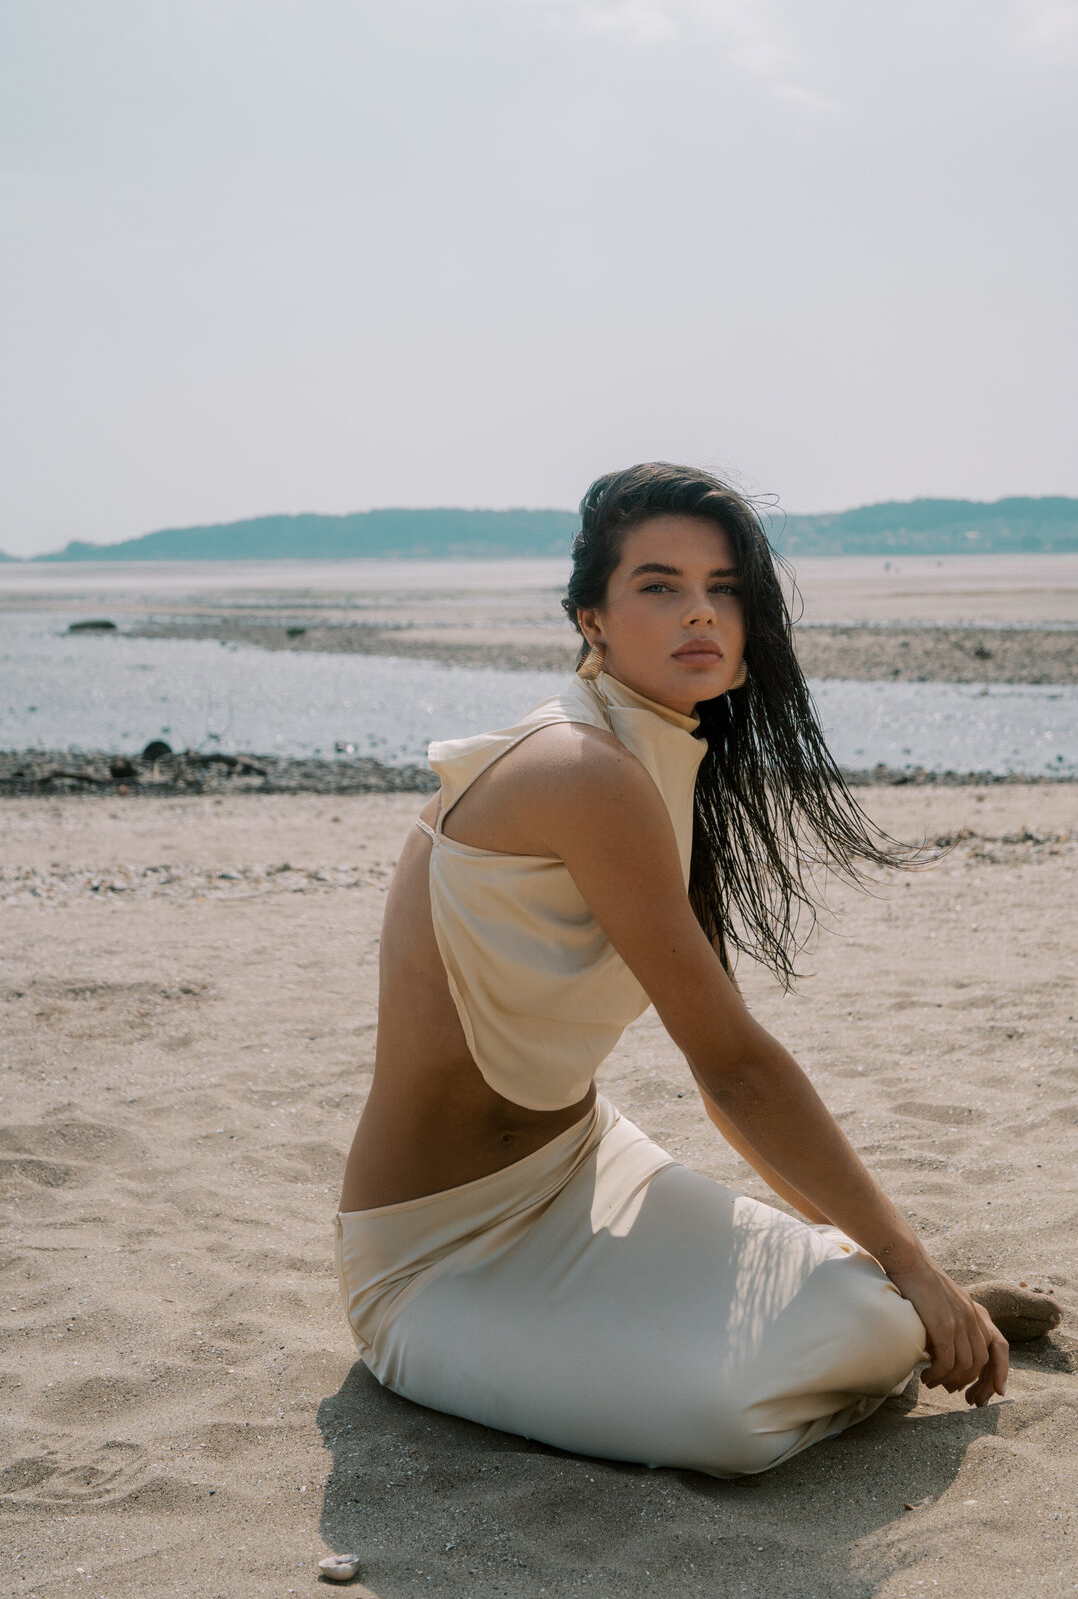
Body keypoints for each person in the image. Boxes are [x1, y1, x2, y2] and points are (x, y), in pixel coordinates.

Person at [336, 463, 1009, 1478]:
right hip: (433, 1260)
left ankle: (889, 1310)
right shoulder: (579, 769)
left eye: (723, 586)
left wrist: (892, 1263)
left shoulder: (654, 762)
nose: (700, 610)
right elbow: (732, 1063)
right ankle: (906, 1314)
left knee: (845, 1317)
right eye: (658, 585)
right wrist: (911, 1265)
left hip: (583, 1174)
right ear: (591, 618)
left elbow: (722, 1077)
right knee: (728, 1425)